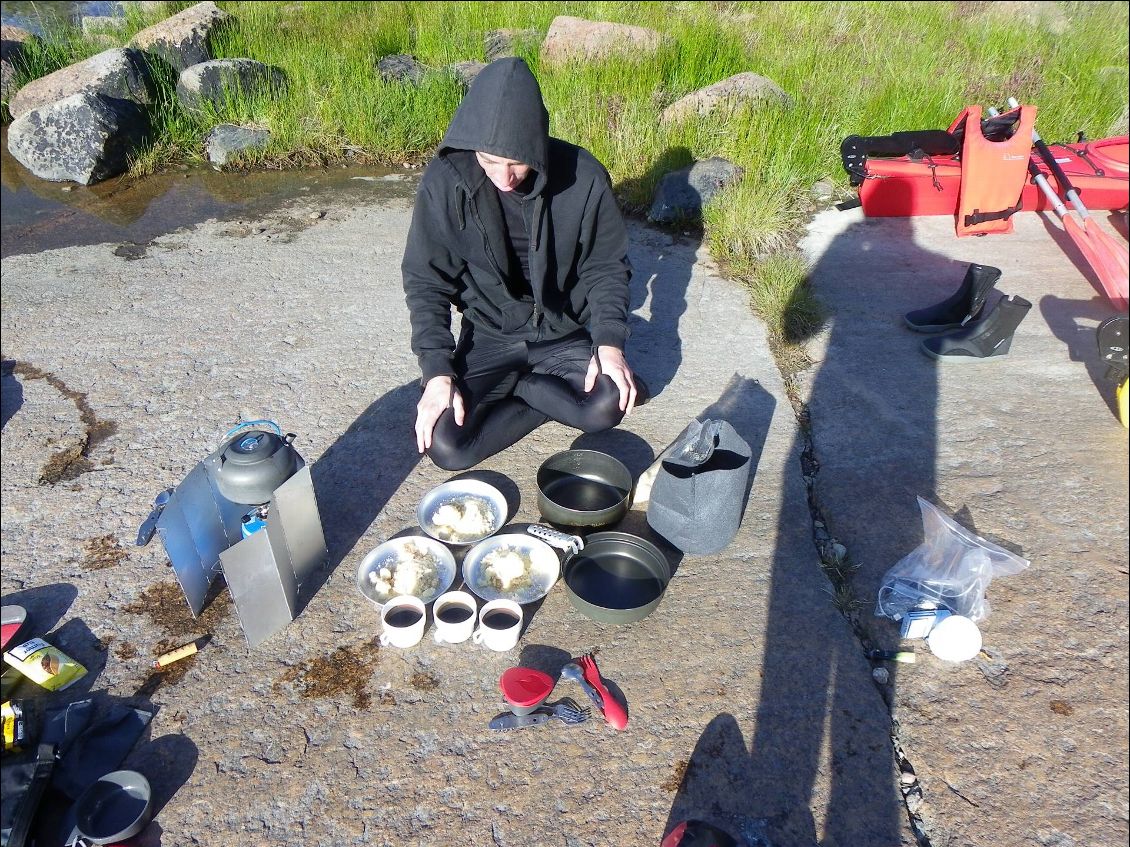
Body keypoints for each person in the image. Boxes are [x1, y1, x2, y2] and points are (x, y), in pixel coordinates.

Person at [401, 57, 641, 471]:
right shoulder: (445, 181)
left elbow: (606, 267)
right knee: (446, 446)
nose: (504, 177)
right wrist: (437, 372)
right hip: (491, 333)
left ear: (537, 144)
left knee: (606, 406)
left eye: (516, 161)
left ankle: (523, 387)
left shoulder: (584, 177)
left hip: (562, 331)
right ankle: (537, 391)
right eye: (489, 160)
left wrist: (609, 344)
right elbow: (426, 280)